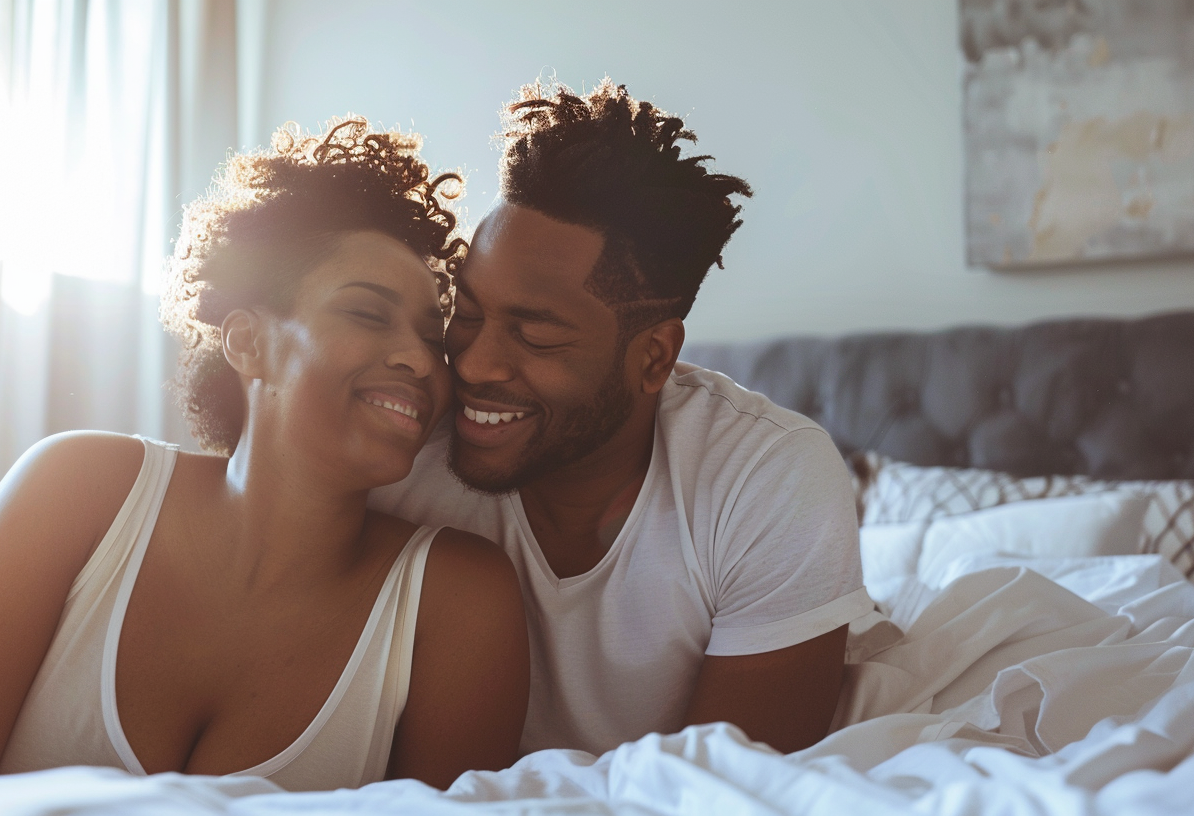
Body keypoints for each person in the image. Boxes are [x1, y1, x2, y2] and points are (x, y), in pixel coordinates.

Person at [0, 118, 529, 791]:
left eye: (430, 336)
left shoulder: (460, 602)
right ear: (246, 343)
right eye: (367, 313)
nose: (422, 360)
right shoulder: (79, 489)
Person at [371, 80, 873, 757]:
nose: (476, 363)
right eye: (468, 312)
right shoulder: (399, 448)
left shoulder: (766, 475)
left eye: (536, 334)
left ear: (654, 358)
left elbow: (726, 793)